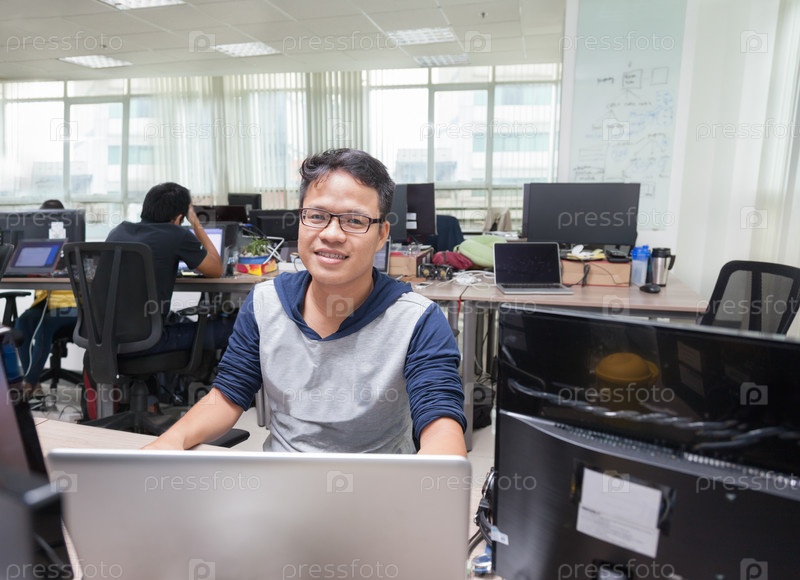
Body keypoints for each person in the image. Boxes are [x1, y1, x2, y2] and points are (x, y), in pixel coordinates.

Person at [145, 149, 467, 456]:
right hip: (283, 482)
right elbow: (228, 395)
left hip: (377, 486)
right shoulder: (265, 303)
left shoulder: (417, 320)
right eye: (317, 216)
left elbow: (440, 421)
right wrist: (171, 440)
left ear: (382, 234)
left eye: (355, 221)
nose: (332, 234)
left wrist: (441, 474)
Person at [104, 182, 235, 355]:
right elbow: (216, 270)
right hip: (151, 342)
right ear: (179, 218)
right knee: (233, 328)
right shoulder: (177, 234)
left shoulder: (117, 232)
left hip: (108, 342)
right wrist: (195, 222)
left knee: (180, 320)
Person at [14, 200, 78, 401]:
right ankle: (34, 382)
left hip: (72, 306)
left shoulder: (75, 245)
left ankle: (29, 382)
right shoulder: (37, 248)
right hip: (44, 304)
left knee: (45, 325)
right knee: (22, 323)